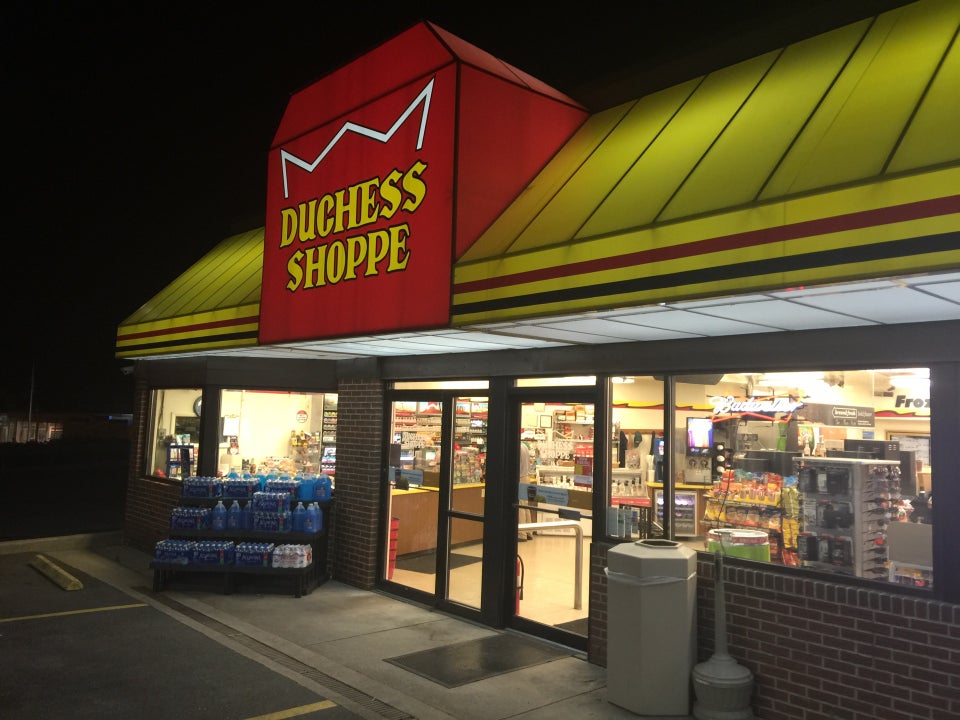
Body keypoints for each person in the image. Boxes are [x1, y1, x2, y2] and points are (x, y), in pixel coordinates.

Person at [518, 441, 534, 540]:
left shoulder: (517, 447)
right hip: (527, 477)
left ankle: (522, 534)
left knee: (520, 506)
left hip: (520, 477)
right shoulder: (524, 446)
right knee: (525, 505)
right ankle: (529, 532)